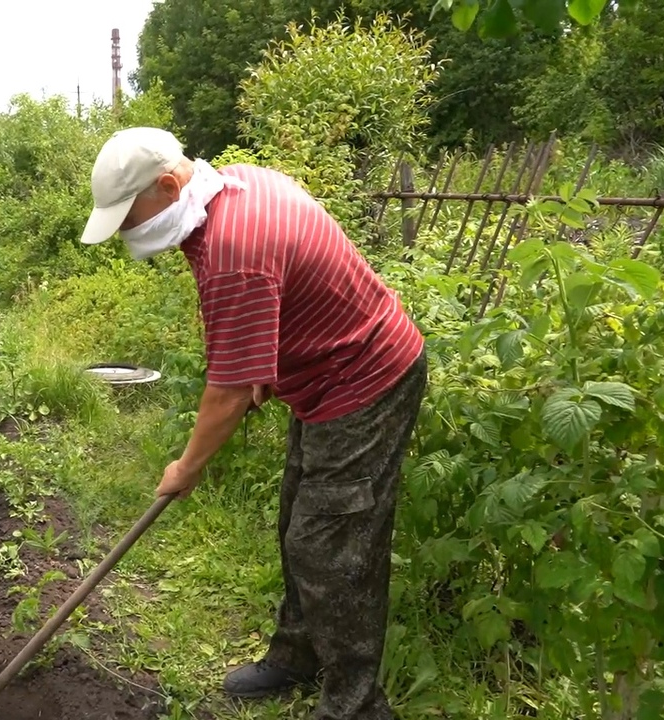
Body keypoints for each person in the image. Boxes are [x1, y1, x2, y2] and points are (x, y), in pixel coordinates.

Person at [78, 127, 428, 720]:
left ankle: (357, 706)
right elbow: (280, 296)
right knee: (301, 518)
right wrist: (261, 362)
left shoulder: (235, 250)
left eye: (128, 217)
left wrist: (187, 467)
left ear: (167, 186)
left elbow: (229, 389)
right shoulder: (232, 187)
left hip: (366, 378)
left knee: (329, 544)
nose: (128, 233)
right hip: (324, 374)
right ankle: (297, 656)